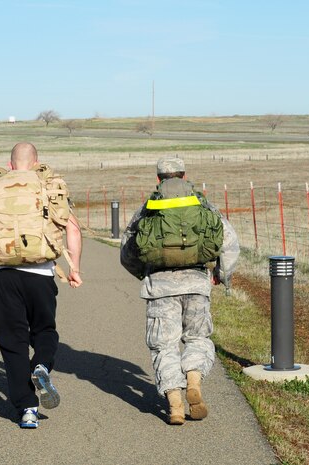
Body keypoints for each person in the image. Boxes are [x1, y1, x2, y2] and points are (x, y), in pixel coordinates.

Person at [0, 142, 82, 429]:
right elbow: (72, 228)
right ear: (36, 163)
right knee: (44, 330)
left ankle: (28, 409)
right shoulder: (46, 184)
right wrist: (74, 268)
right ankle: (41, 364)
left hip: (3, 276)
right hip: (41, 274)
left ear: (9, 165)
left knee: (13, 343)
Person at [120, 156, 221, 425]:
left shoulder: (149, 208)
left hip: (160, 288)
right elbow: (227, 240)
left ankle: (175, 403)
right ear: (184, 175)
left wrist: (144, 274)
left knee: (164, 346)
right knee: (198, 338)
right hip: (197, 284)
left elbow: (128, 249)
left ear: (158, 178)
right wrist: (220, 274)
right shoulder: (202, 203)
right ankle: (194, 378)